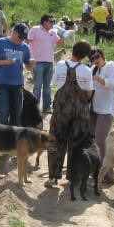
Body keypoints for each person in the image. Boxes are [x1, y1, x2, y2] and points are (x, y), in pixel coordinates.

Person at [45, 41, 94, 188]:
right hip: (80, 113)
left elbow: (53, 84)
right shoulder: (86, 70)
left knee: (56, 143)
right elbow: (89, 92)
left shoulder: (60, 65)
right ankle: (73, 178)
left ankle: (53, 178)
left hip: (61, 111)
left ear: (72, 50)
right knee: (77, 145)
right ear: (85, 55)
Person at [0, 23, 33, 126]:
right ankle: (1, 139)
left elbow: (28, 66)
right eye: (20, 37)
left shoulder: (25, 47)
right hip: (1, 83)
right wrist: (4, 62)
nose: (21, 40)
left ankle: (13, 140)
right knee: (3, 114)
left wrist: (31, 64)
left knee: (17, 115)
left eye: (23, 38)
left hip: (17, 84)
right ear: (14, 32)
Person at [90, 49, 114, 184]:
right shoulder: (93, 69)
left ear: (102, 56)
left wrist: (97, 78)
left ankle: (109, 175)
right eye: (92, 58)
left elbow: (111, 84)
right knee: (95, 141)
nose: (95, 61)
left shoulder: (112, 66)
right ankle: (99, 170)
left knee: (101, 140)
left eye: (97, 57)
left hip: (107, 109)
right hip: (95, 108)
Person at [27, 14, 62, 114]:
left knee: (47, 87)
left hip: (49, 62)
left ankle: (47, 107)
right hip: (37, 62)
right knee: (37, 86)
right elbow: (27, 42)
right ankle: (35, 108)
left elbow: (60, 42)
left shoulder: (53, 32)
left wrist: (65, 34)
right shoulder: (35, 29)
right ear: (45, 22)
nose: (53, 23)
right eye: (51, 21)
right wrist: (29, 59)